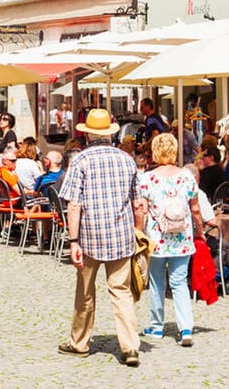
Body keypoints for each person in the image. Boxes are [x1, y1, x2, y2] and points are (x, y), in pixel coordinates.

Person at [59, 108, 142, 368]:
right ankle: (130, 347)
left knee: (85, 292)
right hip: (121, 235)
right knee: (121, 292)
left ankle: (80, 342)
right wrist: (138, 231)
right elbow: (138, 203)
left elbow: (74, 205)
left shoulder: (81, 161)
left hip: (89, 237)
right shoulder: (127, 160)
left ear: (87, 136)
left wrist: (73, 241)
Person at [136, 132, 206, 346]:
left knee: (157, 283)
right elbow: (195, 209)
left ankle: (157, 327)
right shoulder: (187, 176)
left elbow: (142, 210)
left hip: (157, 238)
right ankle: (185, 328)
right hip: (182, 237)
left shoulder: (147, 178)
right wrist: (200, 230)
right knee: (179, 282)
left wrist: (138, 233)